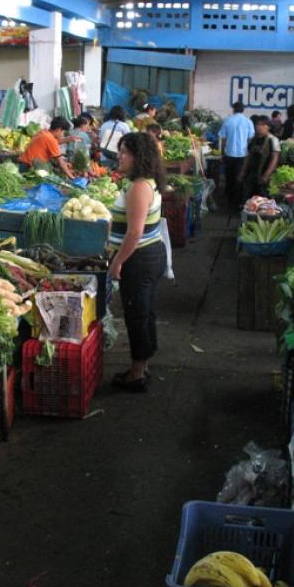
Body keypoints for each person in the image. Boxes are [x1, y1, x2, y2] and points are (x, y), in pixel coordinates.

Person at [108, 132, 167, 392]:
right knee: (145, 312)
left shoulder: (140, 187)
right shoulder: (144, 182)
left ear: (138, 156)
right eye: (120, 150)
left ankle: (137, 372)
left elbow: (134, 233)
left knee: (137, 314)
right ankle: (143, 363)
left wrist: (118, 261)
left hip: (139, 258)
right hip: (148, 256)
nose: (119, 156)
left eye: (125, 152)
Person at [218, 101, 254, 208]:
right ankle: (238, 201)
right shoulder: (248, 122)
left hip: (229, 154)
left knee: (229, 177)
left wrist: (221, 153)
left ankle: (229, 200)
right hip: (243, 155)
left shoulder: (228, 121)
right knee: (240, 177)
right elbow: (250, 138)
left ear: (233, 109)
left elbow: (223, 139)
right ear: (243, 110)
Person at [240, 116, 280, 200]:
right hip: (251, 175)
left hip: (264, 175)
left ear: (268, 126)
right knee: (248, 198)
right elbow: (248, 156)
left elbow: (275, 159)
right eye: (258, 124)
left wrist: (266, 175)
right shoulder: (253, 140)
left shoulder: (273, 140)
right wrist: (243, 171)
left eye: (263, 124)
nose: (259, 127)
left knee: (263, 199)